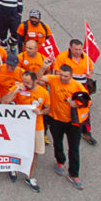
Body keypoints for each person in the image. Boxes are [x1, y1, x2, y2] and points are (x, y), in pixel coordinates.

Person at [39, 62, 89, 190]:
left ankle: (74, 174)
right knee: (57, 142)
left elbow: (87, 101)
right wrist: (44, 67)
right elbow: (39, 78)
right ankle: (60, 161)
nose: (63, 78)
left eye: (66, 76)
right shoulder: (54, 79)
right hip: (55, 119)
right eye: (61, 75)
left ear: (71, 76)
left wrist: (76, 104)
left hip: (73, 123)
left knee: (74, 148)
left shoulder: (77, 86)